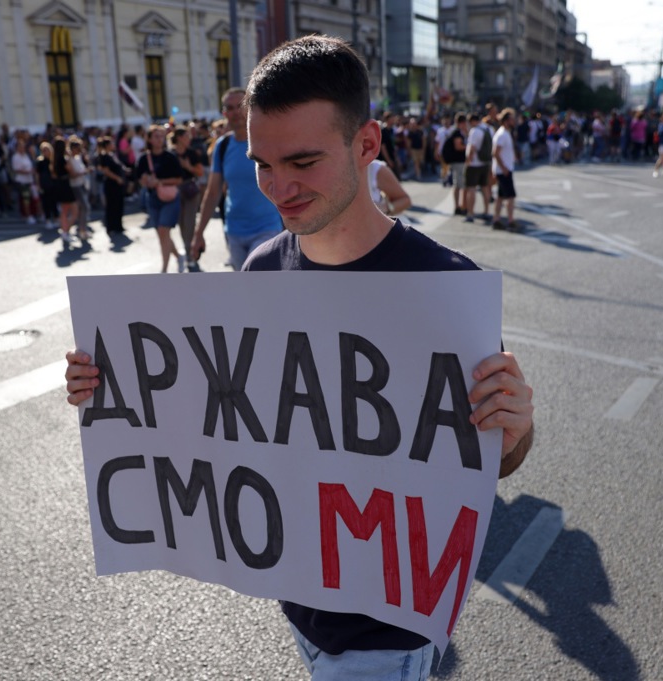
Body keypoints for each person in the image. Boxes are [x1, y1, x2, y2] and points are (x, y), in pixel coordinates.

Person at [65, 35, 534, 681]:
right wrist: (111, 384)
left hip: (385, 633)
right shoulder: (263, 267)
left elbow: (493, 458)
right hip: (301, 605)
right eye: (262, 163)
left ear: (366, 144)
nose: (277, 187)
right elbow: (231, 419)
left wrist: (516, 423)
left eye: (304, 161)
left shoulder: (444, 284)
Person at [191, 88, 283, 270]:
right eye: (230, 108)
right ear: (224, 113)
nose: (235, 112)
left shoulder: (269, 140)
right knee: (245, 292)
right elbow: (213, 192)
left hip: (267, 228)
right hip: (234, 231)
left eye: (240, 106)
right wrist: (199, 233)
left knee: (259, 278)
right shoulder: (222, 146)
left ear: (250, 108)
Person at [136, 125, 184, 273]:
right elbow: (139, 179)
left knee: (164, 230)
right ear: (149, 139)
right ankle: (178, 256)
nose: (159, 139)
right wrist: (145, 180)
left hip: (170, 198)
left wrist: (161, 182)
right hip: (153, 198)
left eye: (161, 136)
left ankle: (164, 270)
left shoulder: (170, 157)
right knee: (162, 234)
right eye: (156, 136)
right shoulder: (144, 158)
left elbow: (179, 180)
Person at [171, 127, 205, 271]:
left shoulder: (191, 153)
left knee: (189, 222)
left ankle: (190, 254)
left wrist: (188, 166)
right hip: (176, 191)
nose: (189, 138)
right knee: (181, 223)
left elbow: (200, 172)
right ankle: (188, 249)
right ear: (178, 137)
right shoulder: (171, 154)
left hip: (190, 190)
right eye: (186, 136)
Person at [491, 108, 519, 231]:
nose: (514, 121)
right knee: (511, 197)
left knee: (500, 197)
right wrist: (504, 168)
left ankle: (496, 219)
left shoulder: (505, 133)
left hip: (503, 169)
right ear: (507, 120)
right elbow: (495, 153)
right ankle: (510, 220)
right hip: (504, 170)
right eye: (512, 119)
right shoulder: (502, 134)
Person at [463, 115, 493, 223]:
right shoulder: (489, 128)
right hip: (486, 162)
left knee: (471, 189)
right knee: (485, 188)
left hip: (474, 163)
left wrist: (468, 162)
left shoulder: (475, 131)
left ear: (472, 121)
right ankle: (486, 211)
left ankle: (470, 213)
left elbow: (471, 148)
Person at [95, 136, 127, 236]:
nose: (113, 145)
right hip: (111, 184)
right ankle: (111, 226)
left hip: (117, 185)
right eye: (111, 143)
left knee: (118, 205)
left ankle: (118, 225)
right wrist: (117, 178)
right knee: (112, 206)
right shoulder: (105, 156)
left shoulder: (112, 155)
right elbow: (106, 170)